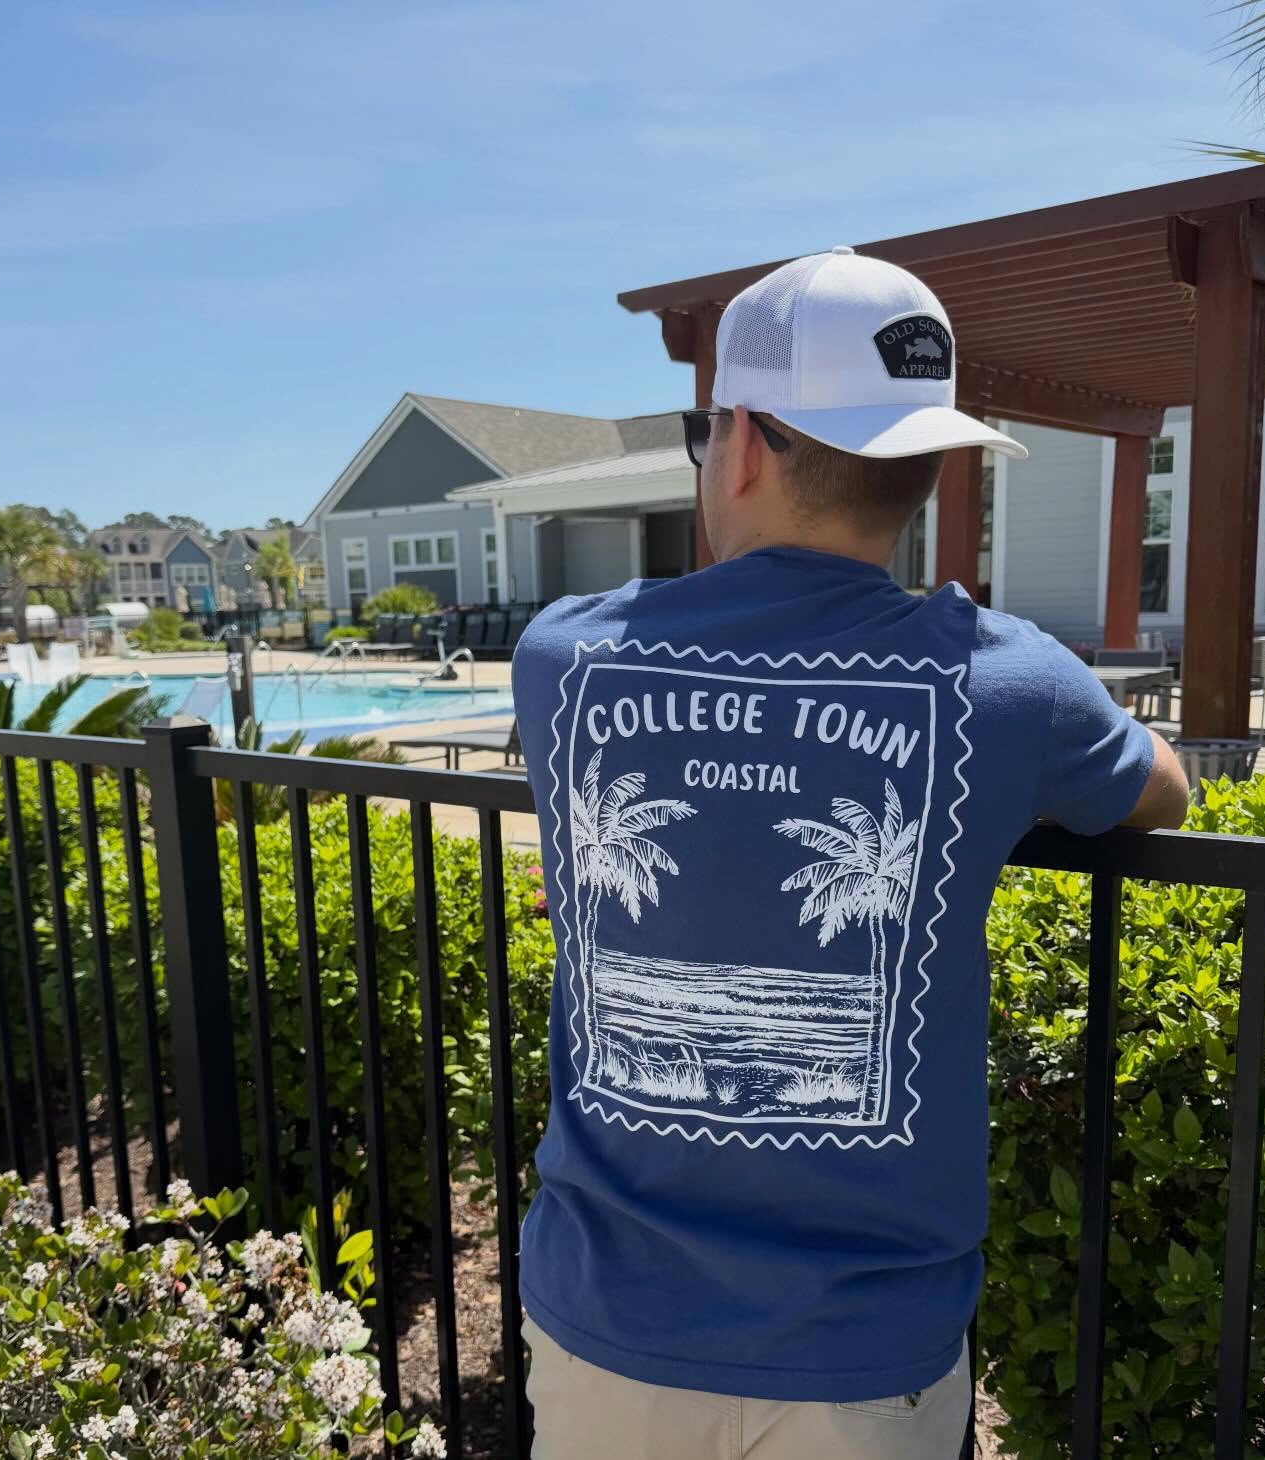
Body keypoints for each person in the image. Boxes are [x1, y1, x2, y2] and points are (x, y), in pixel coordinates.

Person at [510, 248, 1189, 1460]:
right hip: (866, 1355)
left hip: (607, 1327)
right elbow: (1164, 792)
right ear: (929, 465)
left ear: (749, 446)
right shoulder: (1009, 678)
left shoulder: (563, 656)